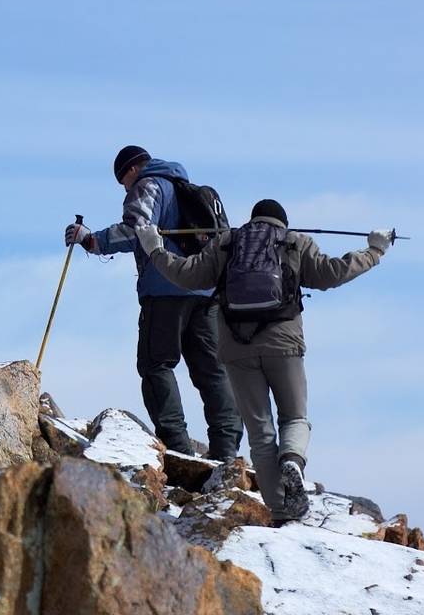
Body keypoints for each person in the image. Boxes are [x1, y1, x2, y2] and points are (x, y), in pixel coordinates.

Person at [138, 199, 393, 523]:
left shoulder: (228, 241)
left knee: (260, 431)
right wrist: (375, 251)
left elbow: (186, 275)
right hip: (283, 343)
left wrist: (155, 249)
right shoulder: (294, 242)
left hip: (236, 347)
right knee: (294, 417)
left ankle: (279, 508)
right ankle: (292, 461)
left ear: (254, 219)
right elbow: (334, 272)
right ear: (282, 223)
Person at [63, 145, 242, 461]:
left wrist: (91, 240)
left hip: (165, 290)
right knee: (212, 370)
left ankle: (177, 447)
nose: (125, 188)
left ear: (132, 170)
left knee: (156, 364)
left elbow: (137, 230)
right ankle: (226, 450)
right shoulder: (191, 189)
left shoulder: (148, 185)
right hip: (205, 291)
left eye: (123, 181)